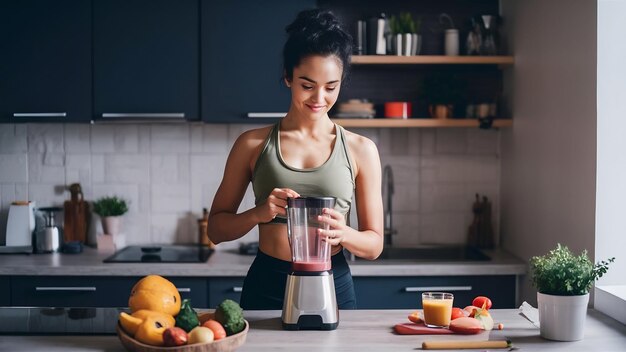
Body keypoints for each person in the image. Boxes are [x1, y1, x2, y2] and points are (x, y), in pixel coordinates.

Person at [207, 8, 383, 310]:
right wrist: (258, 213)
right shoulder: (252, 144)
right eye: (307, 85)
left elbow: (374, 245)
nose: (319, 99)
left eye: (331, 87)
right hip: (267, 283)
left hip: (333, 284)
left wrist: (346, 234)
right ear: (288, 77)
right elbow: (216, 230)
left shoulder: (360, 149)